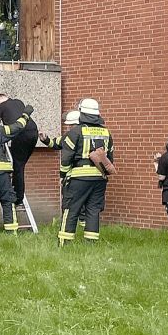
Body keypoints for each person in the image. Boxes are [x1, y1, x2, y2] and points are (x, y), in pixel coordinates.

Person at [58, 98, 114, 245]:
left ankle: (65, 242)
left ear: (81, 112)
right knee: (93, 210)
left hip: (79, 178)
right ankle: (91, 243)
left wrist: (63, 175)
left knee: (71, 209)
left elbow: (66, 157)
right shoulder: (106, 132)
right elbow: (110, 158)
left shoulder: (76, 131)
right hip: (99, 178)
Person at [41, 111, 87, 230]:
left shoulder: (73, 135)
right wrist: (45, 139)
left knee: (69, 203)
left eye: (71, 125)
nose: (70, 128)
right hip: (90, 177)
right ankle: (83, 228)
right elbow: (56, 143)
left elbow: (66, 158)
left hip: (75, 176)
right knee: (84, 205)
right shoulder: (76, 135)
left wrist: (62, 175)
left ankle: (69, 228)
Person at [0, 94, 41, 206]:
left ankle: (18, 197)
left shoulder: (0, 107)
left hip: (20, 135)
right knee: (20, 165)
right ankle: (17, 191)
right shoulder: (18, 102)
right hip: (33, 133)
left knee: (18, 167)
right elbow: (7, 106)